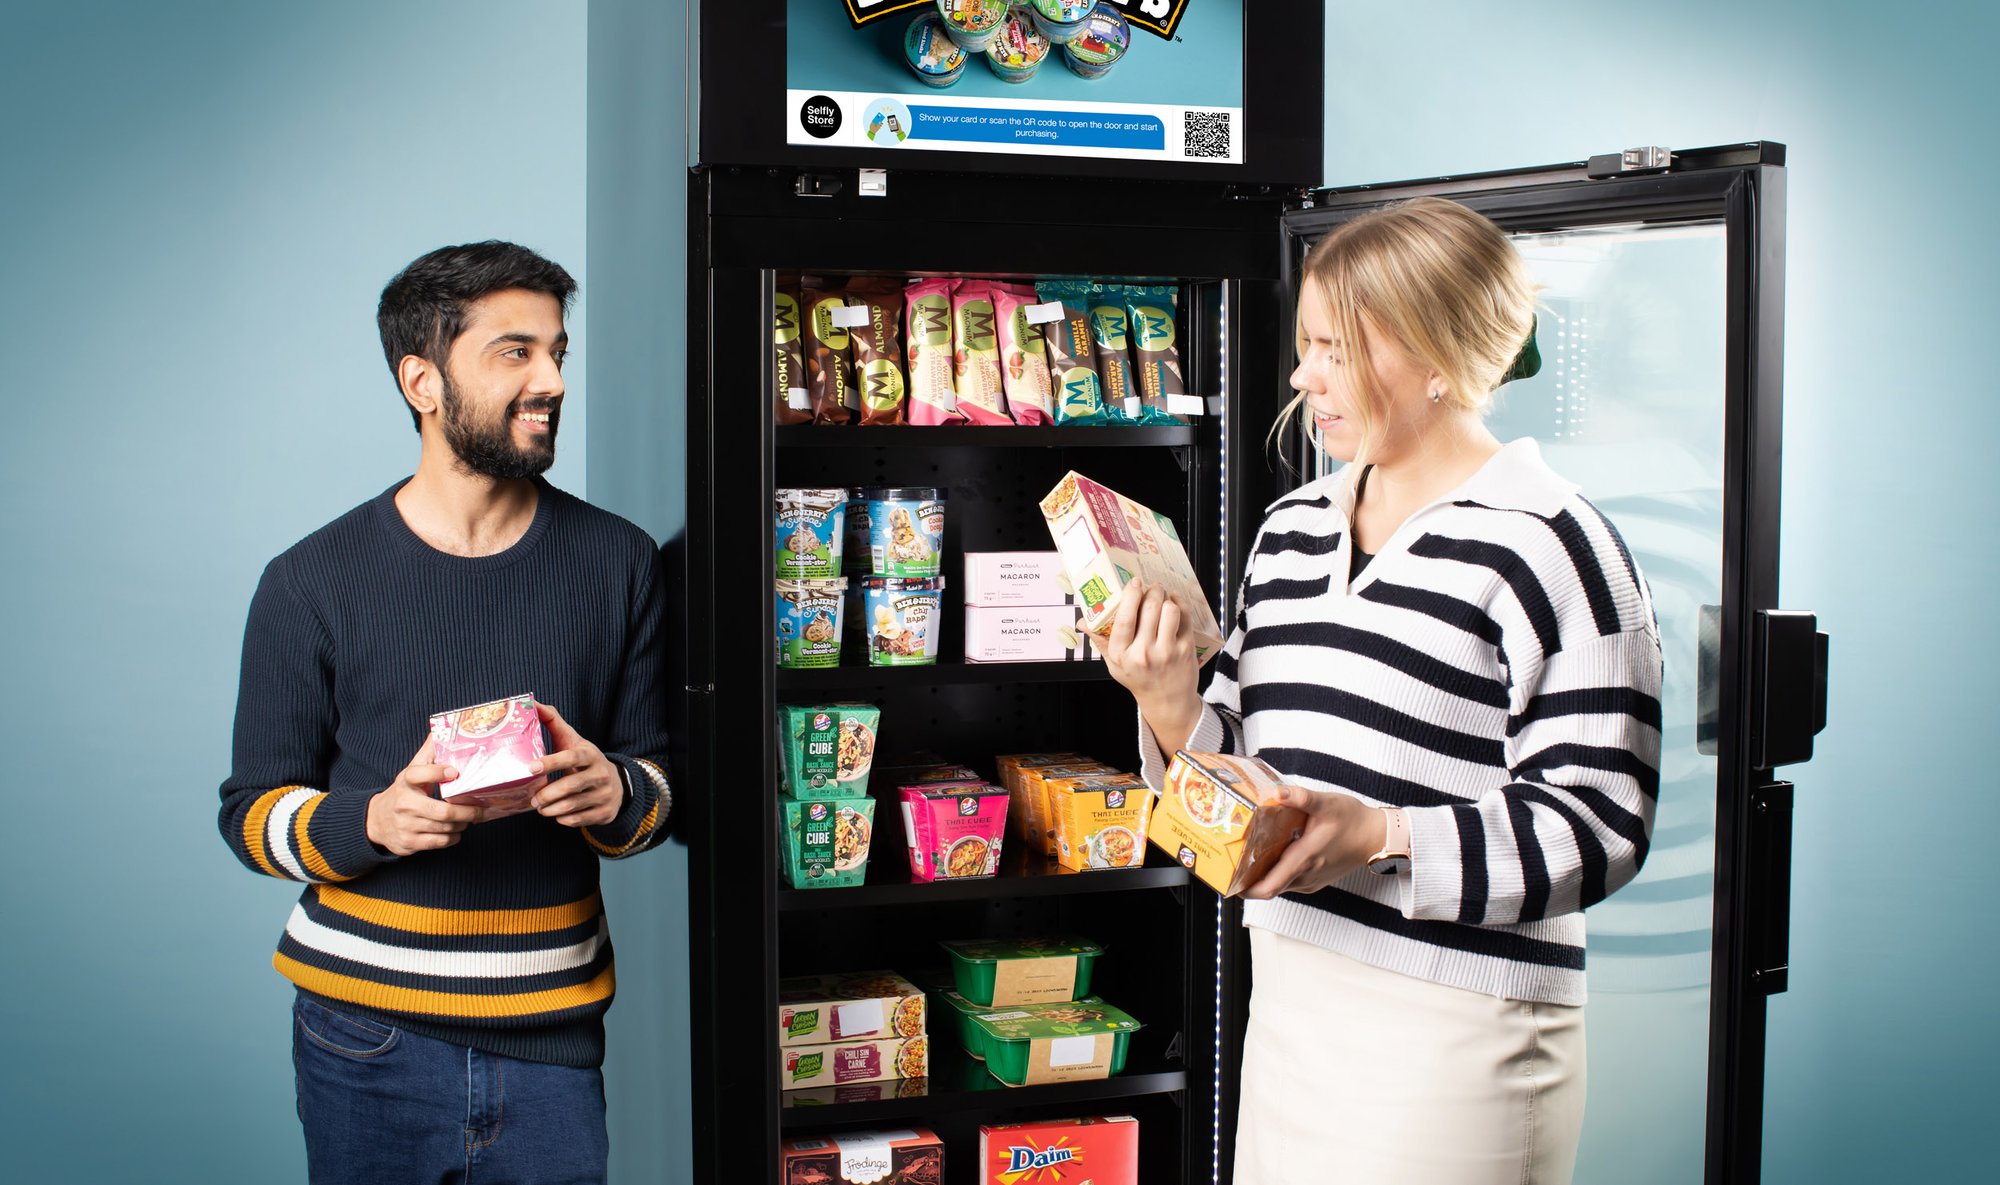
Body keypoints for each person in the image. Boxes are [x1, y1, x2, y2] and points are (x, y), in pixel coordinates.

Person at [1104, 197, 1662, 1185]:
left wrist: (1380, 833)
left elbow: (1596, 822)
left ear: (1438, 354)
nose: (1299, 376)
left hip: (1460, 1035)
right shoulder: (1291, 528)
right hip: (1287, 1000)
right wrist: (1164, 698)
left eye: (1331, 350)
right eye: (1304, 346)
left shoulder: (1550, 543)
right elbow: (1233, 774)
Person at [218, 241, 673, 1184]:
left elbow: (664, 785)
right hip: (363, 1040)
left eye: (557, 352)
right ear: (422, 381)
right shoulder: (309, 581)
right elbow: (251, 815)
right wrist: (374, 820)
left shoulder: (621, 562)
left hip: (553, 1037)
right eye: (515, 352)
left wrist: (615, 791)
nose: (550, 378)